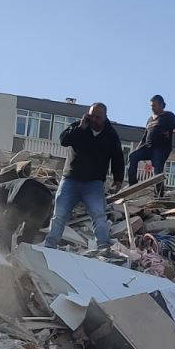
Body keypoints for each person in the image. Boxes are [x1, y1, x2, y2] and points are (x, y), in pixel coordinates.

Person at [43, 102, 123, 252]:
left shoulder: (111, 134)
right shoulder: (79, 127)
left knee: (98, 215)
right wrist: (80, 128)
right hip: (71, 179)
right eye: (92, 116)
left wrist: (118, 179)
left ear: (105, 118)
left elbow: (118, 157)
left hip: (94, 183)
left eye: (98, 117)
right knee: (59, 214)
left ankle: (103, 247)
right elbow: (64, 140)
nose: (94, 120)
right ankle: (50, 245)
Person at [127, 94, 175, 185]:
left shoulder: (168, 115)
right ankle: (132, 182)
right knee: (133, 156)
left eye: (154, 106)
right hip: (148, 147)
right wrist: (138, 149)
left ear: (161, 105)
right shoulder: (150, 120)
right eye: (151, 106)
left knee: (157, 167)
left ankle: (159, 191)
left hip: (161, 148)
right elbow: (144, 137)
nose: (152, 108)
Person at [0, 177, 54, 253]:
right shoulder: (8, 186)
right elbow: (44, 225)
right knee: (30, 232)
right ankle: (22, 255)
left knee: (5, 228)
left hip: (25, 190)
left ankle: (3, 254)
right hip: (46, 196)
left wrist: (0, 233)